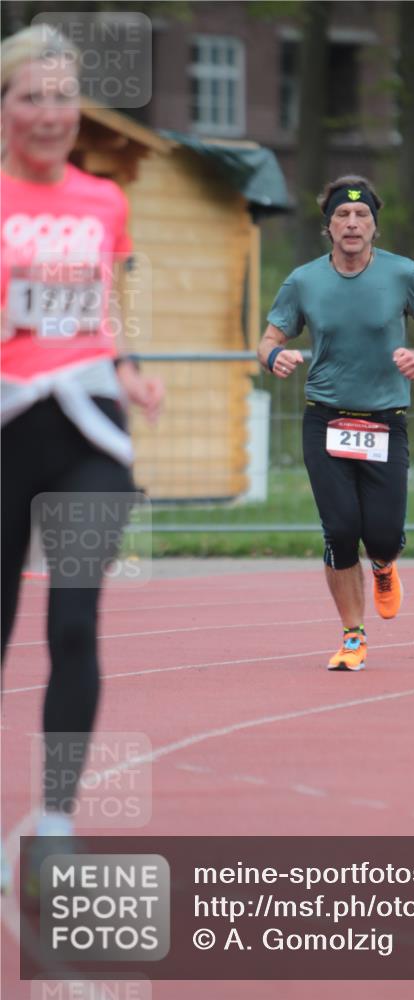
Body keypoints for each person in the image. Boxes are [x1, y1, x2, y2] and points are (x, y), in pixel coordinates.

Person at [0, 26, 164, 890]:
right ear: (4, 108)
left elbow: (104, 303)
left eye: (64, 97)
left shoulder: (104, 201)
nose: (52, 113)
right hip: (5, 427)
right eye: (33, 96)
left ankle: (55, 820)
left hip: (89, 432)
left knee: (72, 622)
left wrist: (128, 368)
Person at [257, 175, 414, 671]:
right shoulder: (303, 281)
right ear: (328, 227)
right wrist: (275, 356)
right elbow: (267, 338)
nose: (351, 223)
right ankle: (352, 636)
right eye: (342, 216)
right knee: (340, 530)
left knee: (383, 535)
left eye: (361, 215)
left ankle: (385, 565)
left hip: (385, 420)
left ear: (374, 226)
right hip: (325, 419)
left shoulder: (402, 274)